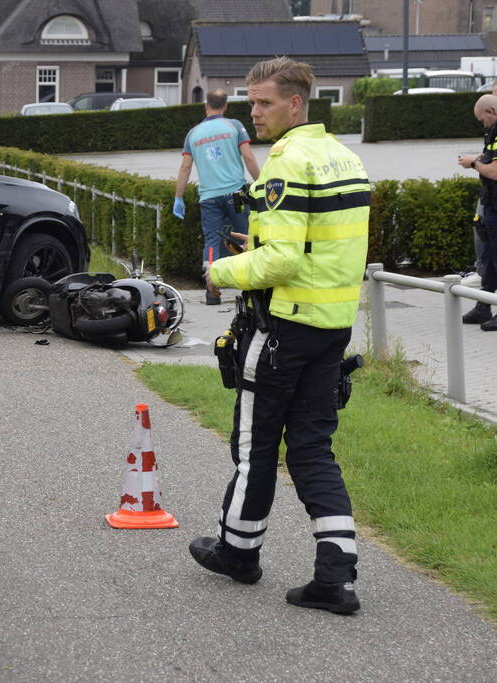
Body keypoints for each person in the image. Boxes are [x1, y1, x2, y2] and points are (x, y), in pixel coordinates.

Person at [189, 57, 370, 615]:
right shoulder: (344, 156)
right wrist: (262, 246)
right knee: (313, 447)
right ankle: (335, 577)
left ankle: (238, 553)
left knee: (254, 445)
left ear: (296, 103)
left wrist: (219, 271)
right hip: (330, 328)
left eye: (264, 102)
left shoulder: (286, 164)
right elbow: (318, 247)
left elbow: (284, 262)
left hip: (282, 329)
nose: (254, 112)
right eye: (250, 100)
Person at [173, 89, 260, 305]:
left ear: (206, 105)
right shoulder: (235, 126)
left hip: (209, 198)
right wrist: (261, 183)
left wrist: (179, 197)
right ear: (226, 106)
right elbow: (248, 157)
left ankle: (211, 292)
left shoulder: (193, 133)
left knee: (212, 240)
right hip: (236, 194)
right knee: (245, 237)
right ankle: (251, 290)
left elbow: (185, 167)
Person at [457, 94, 497, 329]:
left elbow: (495, 171)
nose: (483, 124)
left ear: (491, 111)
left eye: (483, 119)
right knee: (490, 258)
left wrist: (473, 163)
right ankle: (484, 305)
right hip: (493, 204)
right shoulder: (493, 134)